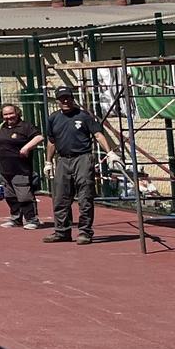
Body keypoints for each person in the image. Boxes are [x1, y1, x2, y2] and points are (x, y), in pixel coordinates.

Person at [43, 85, 98, 244]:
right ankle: (62, 231)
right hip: (63, 159)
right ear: (58, 101)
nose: (65, 101)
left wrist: (110, 152)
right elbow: (51, 141)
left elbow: (98, 134)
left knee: (85, 195)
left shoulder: (84, 116)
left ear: (72, 99)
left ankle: (85, 232)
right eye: (62, 98)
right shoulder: (53, 118)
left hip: (82, 157)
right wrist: (48, 161)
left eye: (67, 97)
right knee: (60, 197)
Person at [0, 102, 45, 228]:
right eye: (5, 114)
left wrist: (26, 148)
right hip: (5, 168)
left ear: (17, 113)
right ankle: (16, 218)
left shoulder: (25, 127)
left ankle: (32, 219)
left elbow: (39, 137)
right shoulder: (2, 127)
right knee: (10, 195)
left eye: (11, 114)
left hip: (20, 168)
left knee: (24, 195)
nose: (8, 117)